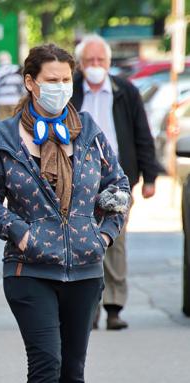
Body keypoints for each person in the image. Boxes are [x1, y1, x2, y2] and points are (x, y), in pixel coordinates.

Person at [0, 44, 131, 382]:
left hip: (85, 270)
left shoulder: (89, 132)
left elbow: (118, 187)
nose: (61, 86)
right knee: (47, 367)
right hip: (29, 269)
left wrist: (101, 235)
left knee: (73, 373)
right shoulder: (5, 137)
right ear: (31, 82)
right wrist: (21, 233)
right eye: (52, 79)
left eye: (66, 79)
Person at [72, 34, 160, 330]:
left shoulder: (126, 91)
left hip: (118, 178)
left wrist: (150, 176)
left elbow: (142, 135)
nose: (95, 66)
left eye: (100, 61)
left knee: (116, 240)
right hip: (78, 179)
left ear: (109, 63)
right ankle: (88, 306)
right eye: (89, 61)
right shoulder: (71, 90)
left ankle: (113, 305)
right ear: (81, 64)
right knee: (82, 240)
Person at [0, 51, 25, 121]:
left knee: (3, 126)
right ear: (10, 59)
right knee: (15, 125)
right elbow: (22, 88)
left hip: (2, 103)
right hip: (15, 102)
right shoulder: (16, 70)